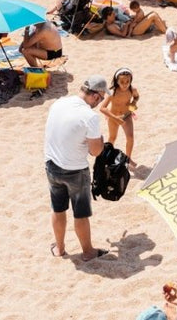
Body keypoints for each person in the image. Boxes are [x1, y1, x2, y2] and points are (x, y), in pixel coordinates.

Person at [45, 76, 108, 261]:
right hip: (75, 170)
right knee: (80, 213)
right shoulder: (90, 116)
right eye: (102, 98)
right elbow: (95, 151)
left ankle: (60, 248)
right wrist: (101, 141)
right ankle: (88, 251)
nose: (101, 102)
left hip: (51, 165)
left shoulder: (58, 103)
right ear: (95, 96)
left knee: (58, 209)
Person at [99, 67, 139, 164]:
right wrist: (114, 118)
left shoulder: (132, 90)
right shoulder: (112, 92)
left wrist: (133, 103)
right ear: (117, 81)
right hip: (113, 117)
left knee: (130, 138)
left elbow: (137, 96)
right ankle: (108, 157)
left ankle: (128, 158)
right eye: (122, 82)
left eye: (127, 81)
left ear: (131, 80)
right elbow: (102, 108)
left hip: (127, 116)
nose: (125, 84)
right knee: (112, 138)